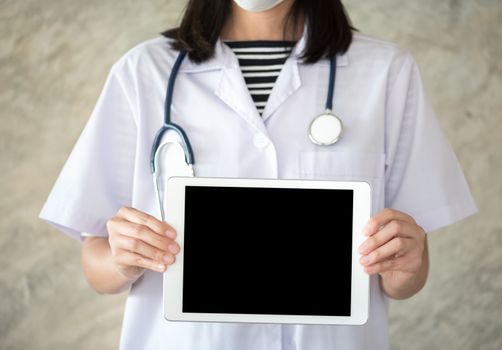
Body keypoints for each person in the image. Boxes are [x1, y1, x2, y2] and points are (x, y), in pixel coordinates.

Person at [39, 0, 477, 349]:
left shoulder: (386, 72)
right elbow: (96, 264)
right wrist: (121, 259)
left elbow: (406, 275)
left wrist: (404, 265)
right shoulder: (143, 72)